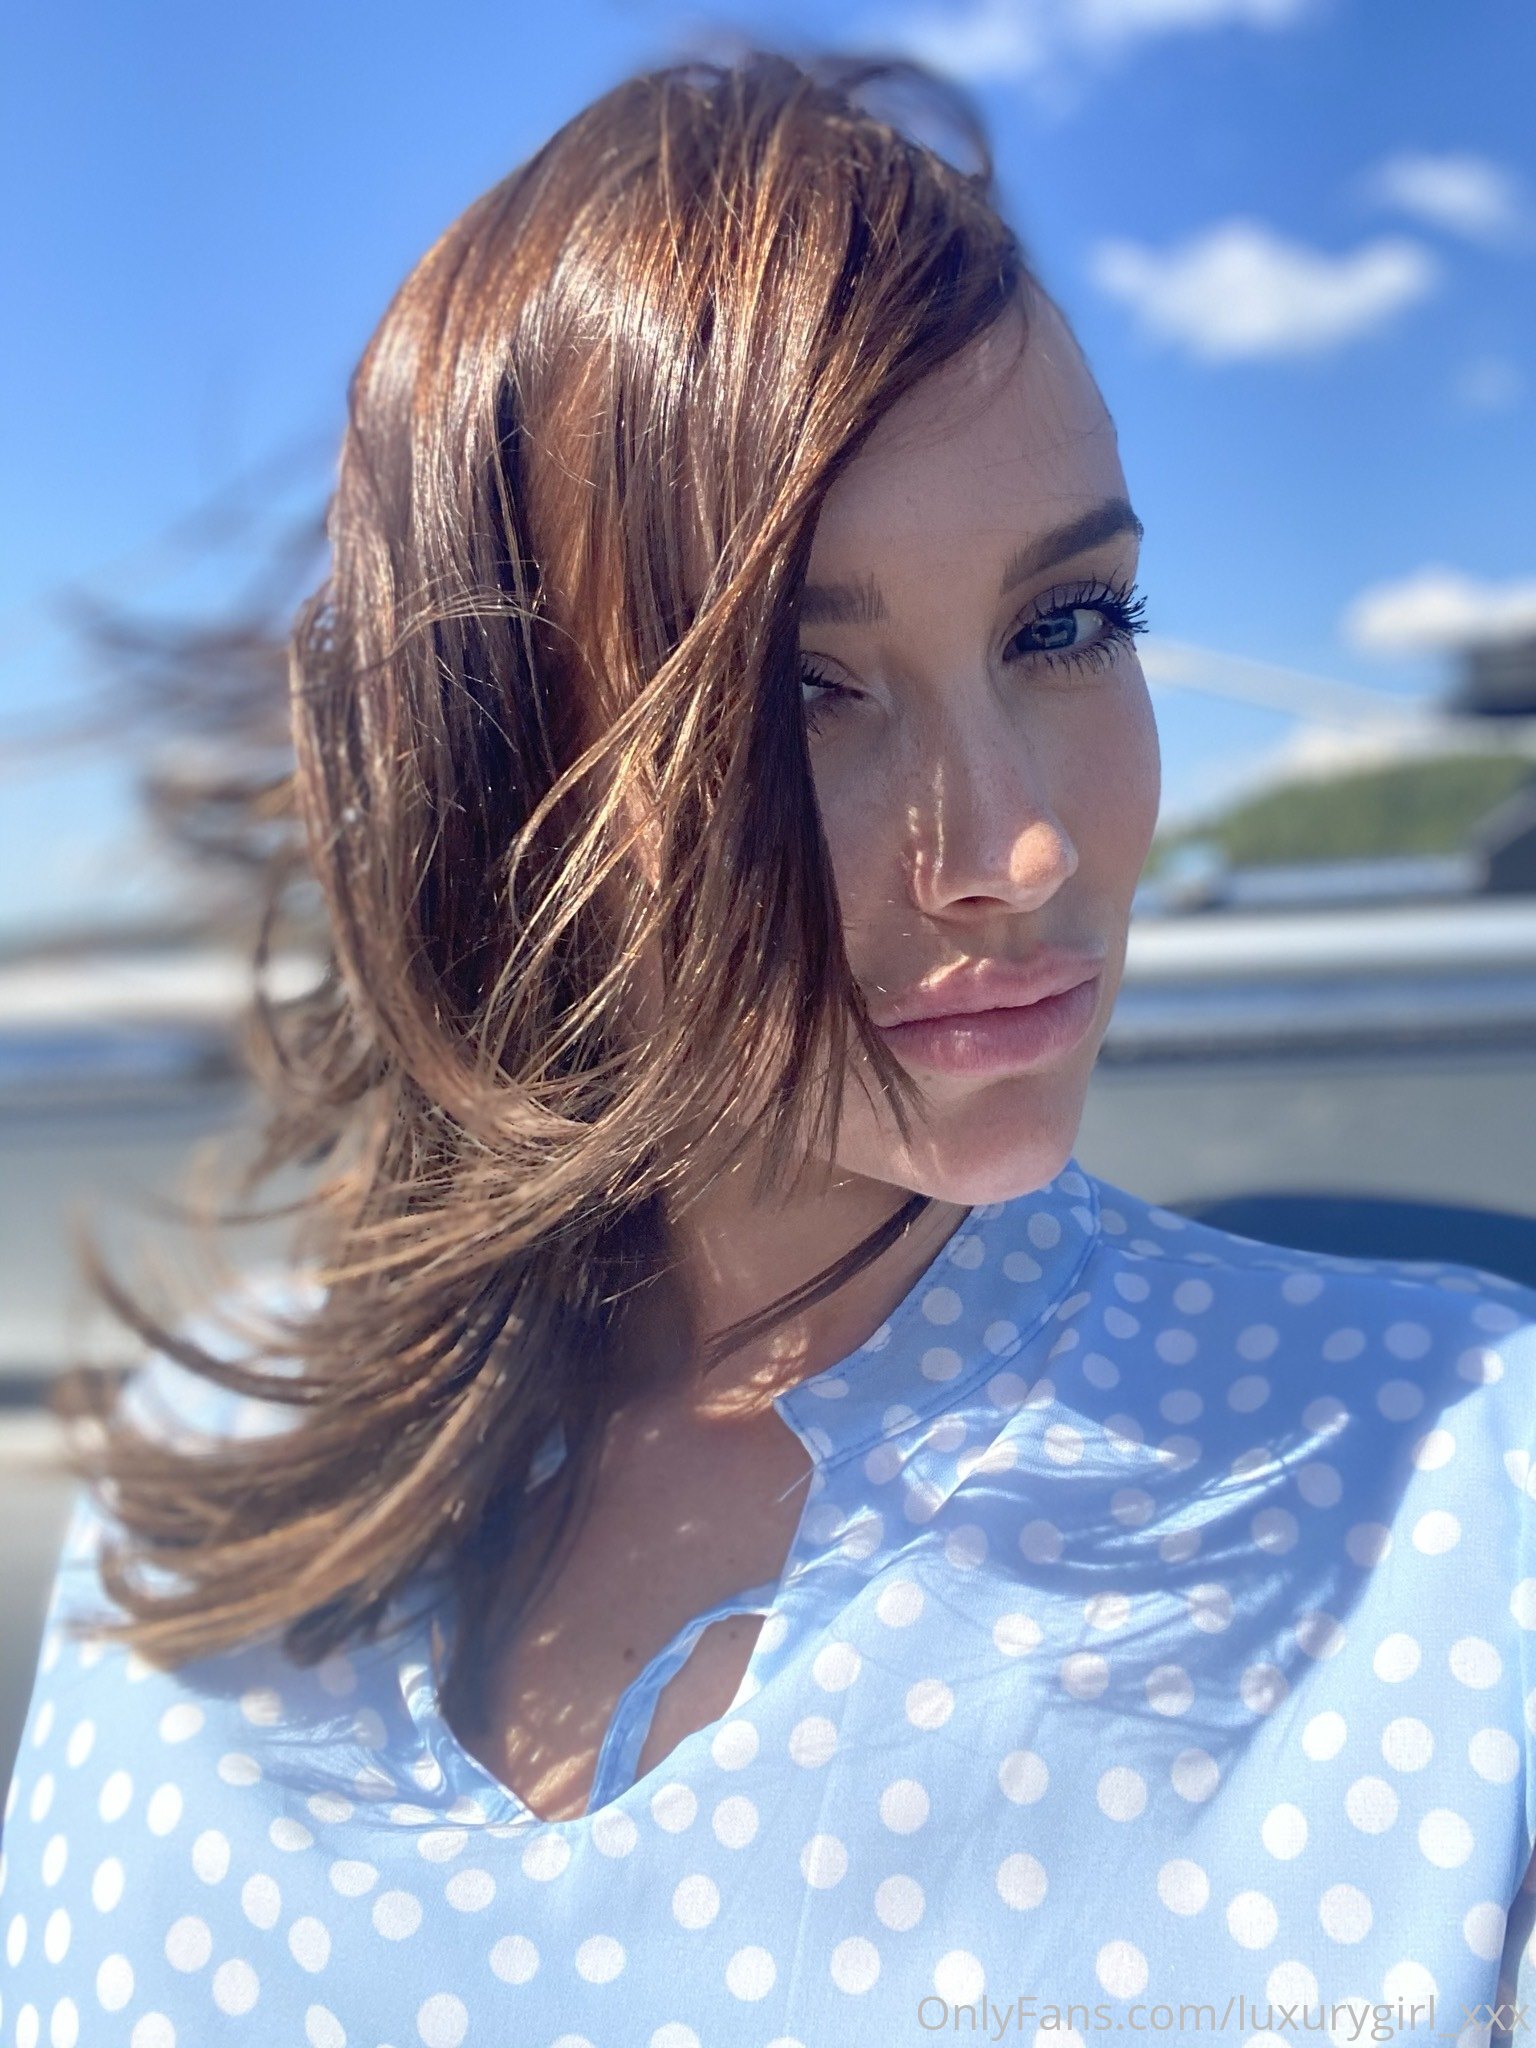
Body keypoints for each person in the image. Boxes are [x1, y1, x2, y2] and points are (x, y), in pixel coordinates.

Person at [5, 45, 1536, 2048]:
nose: (1021, 850)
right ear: (500, 763)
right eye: (799, 687)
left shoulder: (1470, 1501)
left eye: (1067, 624)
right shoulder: (199, 1468)